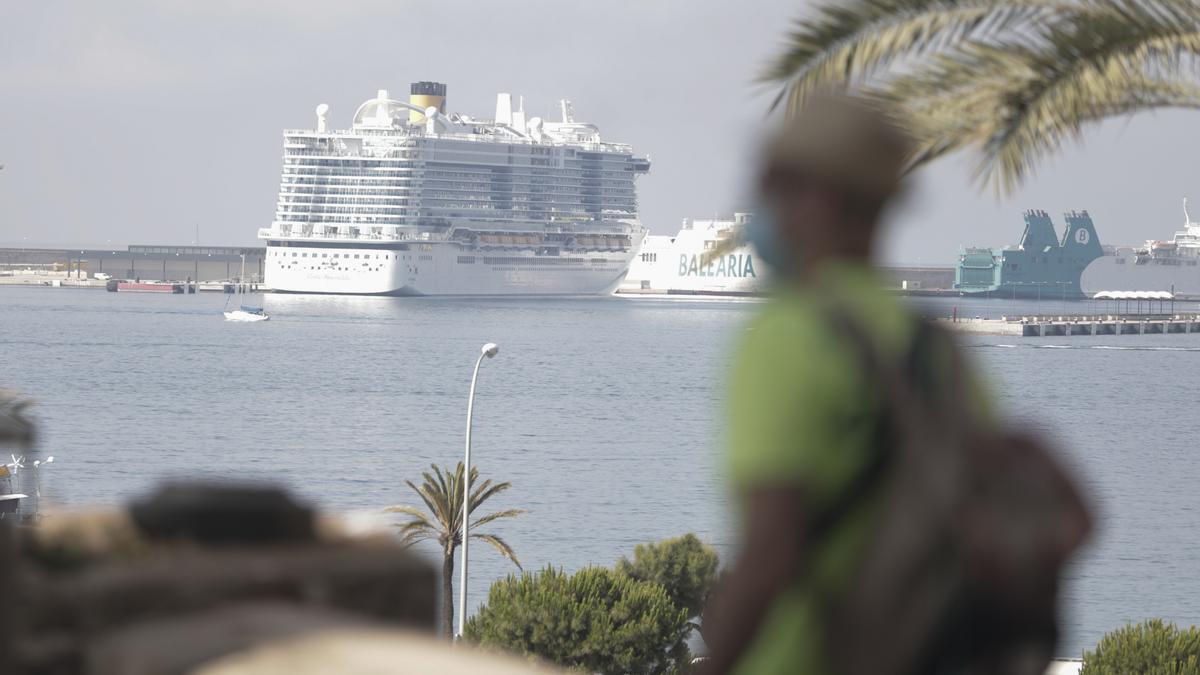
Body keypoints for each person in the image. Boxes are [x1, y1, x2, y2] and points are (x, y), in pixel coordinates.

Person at [698, 93, 1087, 675]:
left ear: (819, 198)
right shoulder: (935, 345)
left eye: (774, 185)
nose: (759, 205)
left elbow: (770, 554)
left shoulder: (786, 336)